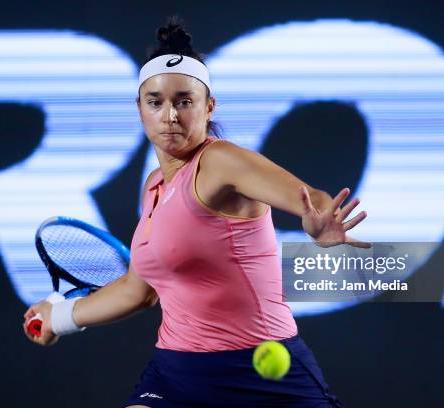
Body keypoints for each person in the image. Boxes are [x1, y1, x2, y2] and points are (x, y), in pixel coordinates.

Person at [23, 18, 367, 408]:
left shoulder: (220, 161)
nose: (170, 115)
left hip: (261, 372)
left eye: (184, 101)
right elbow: (138, 291)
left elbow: (313, 199)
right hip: (175, 372)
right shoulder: (153, 186)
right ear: (140, 109)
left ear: (209, 106)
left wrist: (319, 222)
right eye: (156, 102)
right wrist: (60, 316)